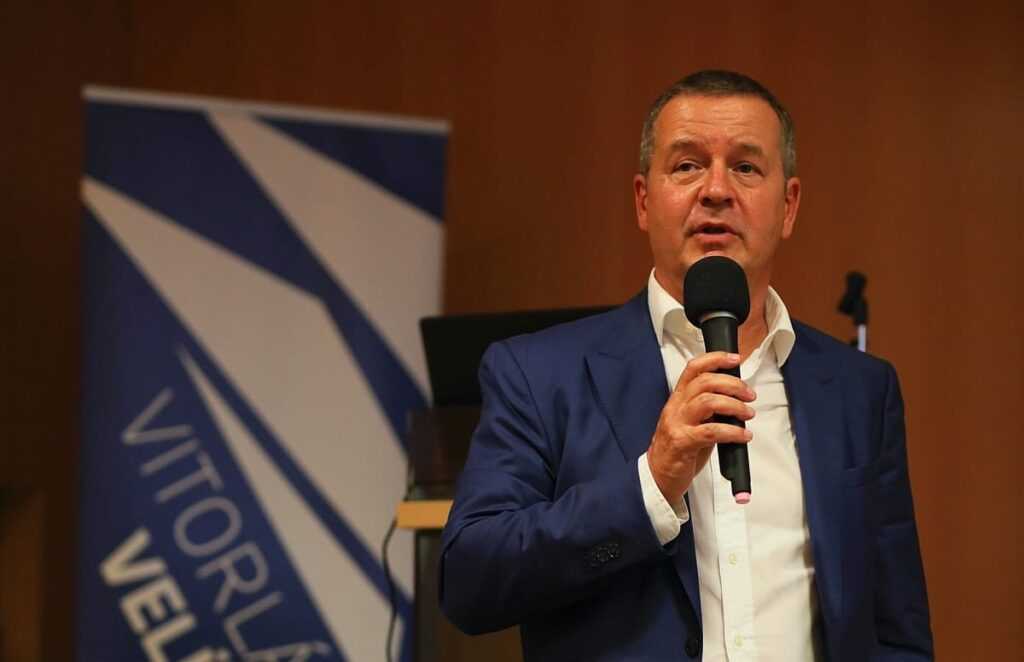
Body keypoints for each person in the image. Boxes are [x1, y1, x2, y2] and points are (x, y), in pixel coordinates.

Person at [439, 70, 932, 661]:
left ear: (789, 205)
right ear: (644, 201)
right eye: (688, 165)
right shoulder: (540, 375)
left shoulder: (860, 391)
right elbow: (470, 581)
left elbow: (896, 632)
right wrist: (651, 485)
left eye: (745, 167)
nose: (716, 190)